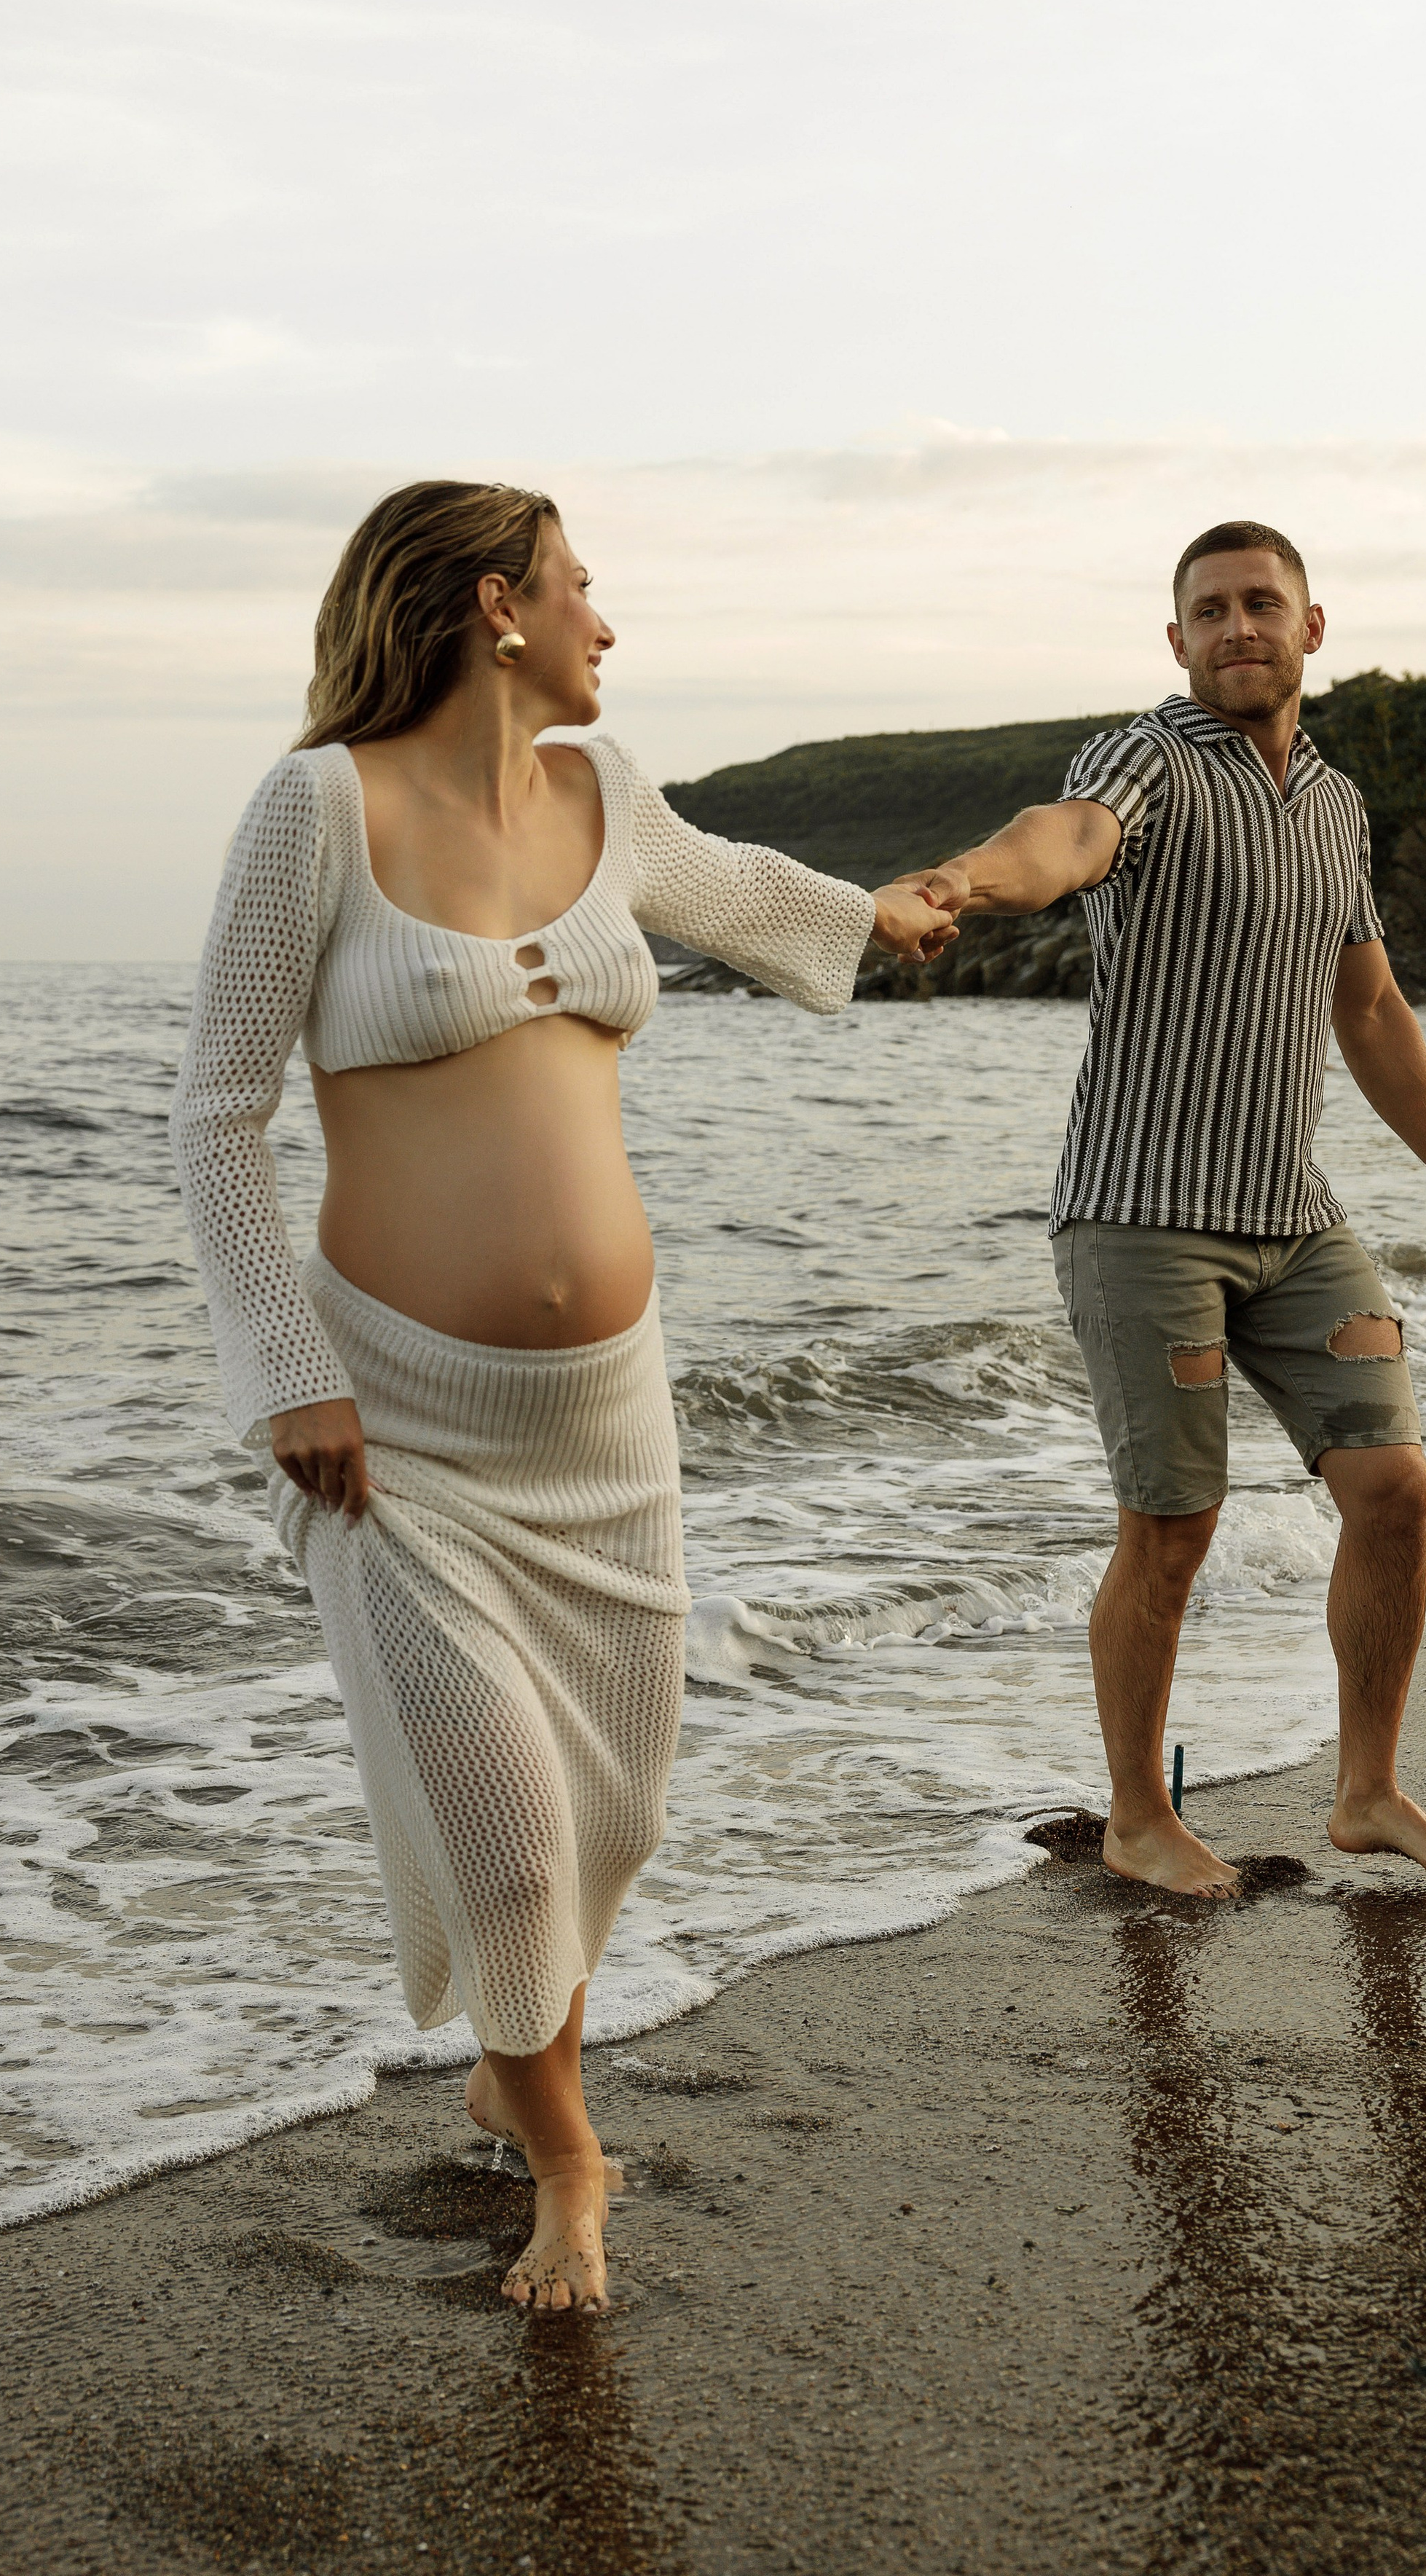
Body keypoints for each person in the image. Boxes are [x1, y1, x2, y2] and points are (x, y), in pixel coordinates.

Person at [170, 480, 953, 2309]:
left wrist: (929, 900)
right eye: (588, 589)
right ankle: (569, 2162)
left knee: (613, 1816)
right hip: (400, 1429)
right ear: (494, 607)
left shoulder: (611, 800)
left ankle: (510, 2069)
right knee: (512, 1841)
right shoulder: (316, 809)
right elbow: (216, 1119)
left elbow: (771, 904)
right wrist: (285, 1372)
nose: (614, 624)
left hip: (606, 1424)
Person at [918, 519, 1426, 1900]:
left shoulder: (1338, 804)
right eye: (1210, 610)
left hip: (1294, 1217)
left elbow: (1366, 1005)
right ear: (1176, 642)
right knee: (1171, 1527)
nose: (1238, 626)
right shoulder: (1151, 759)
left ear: (1312, 628)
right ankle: (1136, 1818)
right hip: (1142, 1216)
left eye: (1262, 604)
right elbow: (1063, 840)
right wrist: (964, 881)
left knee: (1396, 1488)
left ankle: (1366, 1792)